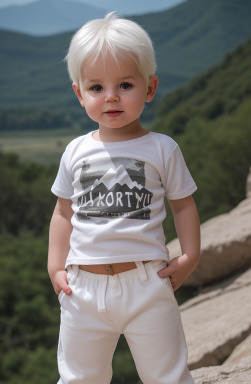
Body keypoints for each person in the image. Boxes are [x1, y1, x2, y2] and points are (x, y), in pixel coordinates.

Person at [48, 12, 200, 384]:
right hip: (82, 285)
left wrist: (190, 255)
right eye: (96, 87)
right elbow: (64, 211)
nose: (111, 96)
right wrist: (55, 266)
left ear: (150, 88)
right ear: (79, 93)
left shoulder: (162, 148)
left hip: (147, 283)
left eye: (126, 85)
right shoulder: (75, 150)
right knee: (79, 378)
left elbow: (183, 204)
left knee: (168, 377)